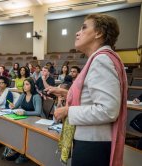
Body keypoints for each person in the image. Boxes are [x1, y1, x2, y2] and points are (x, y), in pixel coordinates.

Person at [47, 14, 127, 166]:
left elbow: (107, 110)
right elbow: (92, 96)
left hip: (93, 144)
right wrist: (67, 93)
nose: (77, 33)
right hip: (90, 140)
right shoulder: (98, 59)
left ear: (99, 33)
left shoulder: (101, 60)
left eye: (84, 28)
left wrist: (67, 111)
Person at [7, 78, 43, 164]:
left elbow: (38, 112)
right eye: (24, 84)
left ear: (32, 86)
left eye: (27, 84)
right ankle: (18, 150)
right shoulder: (23, 95)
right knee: (15, 129)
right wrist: (12, 106)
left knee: (23, 132)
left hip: (36, 120)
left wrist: (24, 113)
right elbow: (16, 106)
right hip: (26, 119)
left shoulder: (36, 96)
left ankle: (24, 154)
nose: (24, 86)